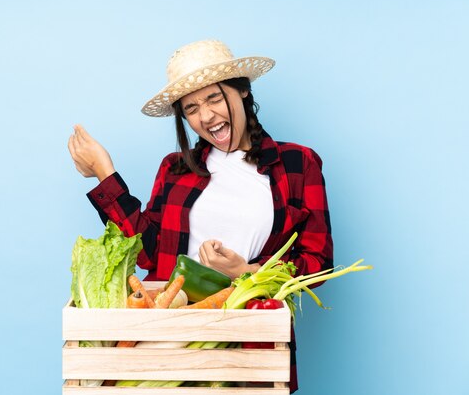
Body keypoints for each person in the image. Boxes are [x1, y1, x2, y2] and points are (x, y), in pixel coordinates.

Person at [68, 40, 333, 392]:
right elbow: (147, 251)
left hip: (247, 343)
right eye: (191, 108)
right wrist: (105, 174)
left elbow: (318, 261)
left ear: (241, 91)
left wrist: (246, 271)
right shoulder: (176, 169)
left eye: (214, 98)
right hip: (167, 337)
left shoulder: (298, 164)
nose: (206, 116)